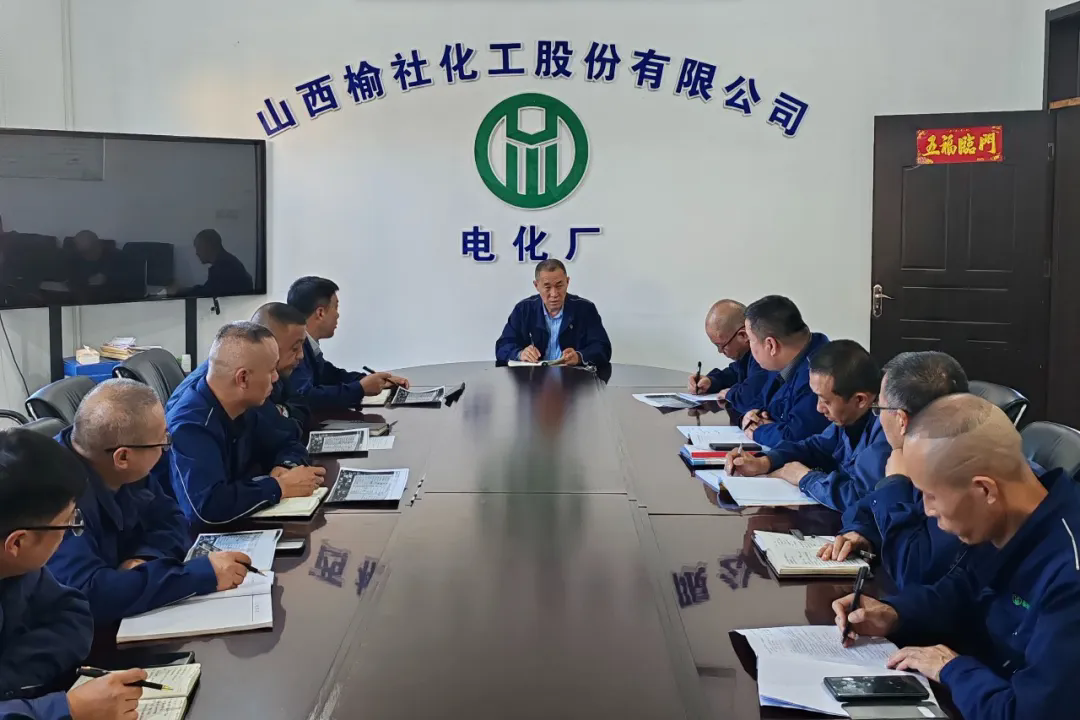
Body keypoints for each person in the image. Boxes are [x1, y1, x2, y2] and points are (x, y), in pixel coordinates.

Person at [832, 394, 1080, 720]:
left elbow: (1029, 714)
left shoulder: (1069, 574)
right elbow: (961, 590)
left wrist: (951, 668)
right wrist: (895, 614)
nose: (927, 510)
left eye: (931, 495)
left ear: (985, 490)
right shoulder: (1010, 520)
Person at [47, 379, 252, 624]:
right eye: (163, 442)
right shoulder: (54, 497)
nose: (166, 448)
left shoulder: (119, 463)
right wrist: (200, 575)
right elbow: (89, 594)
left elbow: (172, 519)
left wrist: (146, 560)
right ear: (123, 457)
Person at [0, 429, 149, 719]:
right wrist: (69, 709)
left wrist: (8, 682)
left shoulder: (21, 567)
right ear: (17, 542)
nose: (70, 533)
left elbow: (73, 615)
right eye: (67, 524)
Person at [820, 351, 969, 589]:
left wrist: (895, 484)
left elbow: (913, 572)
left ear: (901, 420)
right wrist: (862, 534)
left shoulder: (961, 476)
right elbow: (864, 508)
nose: (878, 418)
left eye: (879, 408)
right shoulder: (921, 453)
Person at [157, 322, 325, 524]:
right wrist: (279, 487)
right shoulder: (190, 425)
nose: (276, 377)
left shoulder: (249, 401)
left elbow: (288, 440)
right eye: (271, 370)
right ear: (243, 378)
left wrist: (286, 466)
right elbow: (206, 508)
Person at [727, 340, 889, 512]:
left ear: (860, 400)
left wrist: (803, 477)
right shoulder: (851, 416)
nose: (819, 408)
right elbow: (815, 447)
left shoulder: (886, 431)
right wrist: (764, 462)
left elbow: (862, 499)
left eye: (826, 401)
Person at [285, 276, 409, 409]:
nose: (338, 315)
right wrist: (360, 389)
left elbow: (331, 375)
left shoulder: (309, 345)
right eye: (335, 307)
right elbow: (306, 397)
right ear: (320, 313)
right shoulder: (294, 349)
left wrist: (372, 381)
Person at [739, 295, 830, 445]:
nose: (749, 346)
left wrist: (758, 431)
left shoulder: (819, 376)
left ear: (771, 345)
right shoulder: (784, 362)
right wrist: (753, 416)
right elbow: (764, 404)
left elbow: (796, 437)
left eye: (750, 340)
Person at [495, 259, 612, 369]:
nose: (554, 294)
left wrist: (579, 357)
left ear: (567, 282)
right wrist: (520, 354)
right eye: (547, 287)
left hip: (573, 378)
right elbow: (502, 346)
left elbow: (602, 348)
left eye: (559, 285)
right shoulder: (523, 310)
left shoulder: (585, 309)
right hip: (533, 378)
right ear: (536, 286)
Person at [685, 299, 770, 414]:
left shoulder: (764, 355)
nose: (720, 351)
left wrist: (730, 393)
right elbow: (733, 374)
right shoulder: (746, 355)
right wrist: (710, 381)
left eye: (721, 345)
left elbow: (751, 395)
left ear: (743, 335)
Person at [250, 302, 314, 431]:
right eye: (295, 348)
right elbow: (278, 432)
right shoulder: (248, 385)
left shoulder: (281, 374)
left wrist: (283, 411)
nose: (301, 355)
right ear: (268, 345)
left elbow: (303, 408)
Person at [172, 229, 253, 297]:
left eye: (199, 247)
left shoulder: (225, 266)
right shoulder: (227, 262)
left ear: (209, 246)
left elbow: (206, 293)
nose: (197, 252)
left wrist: (179, 291)